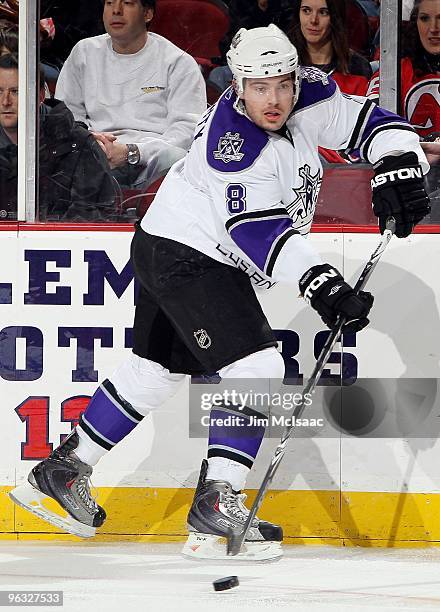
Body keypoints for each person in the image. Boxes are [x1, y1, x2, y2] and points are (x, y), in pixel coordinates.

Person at [10, 25, 430, 560]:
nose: (274, 99)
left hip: (165, 240)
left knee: (154, 369)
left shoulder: (309, 94)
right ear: (237, 84)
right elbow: (257, 233)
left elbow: (366, 122)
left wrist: (399, 162)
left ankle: (62, 470)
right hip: (190, 255)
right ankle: (216, 504)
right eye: (259, 87)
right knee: (257, 367)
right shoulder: (233, 149)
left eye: (281, 83)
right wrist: (324, 288)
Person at [54, 0, 207, 191]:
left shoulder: (178, 63)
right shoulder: (84, 52)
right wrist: (92, 143)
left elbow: (186, 133)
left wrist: (132, 152)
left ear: (147, 14)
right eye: (109, 3)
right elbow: (66, 115)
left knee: (176, 157)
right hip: (93, 156)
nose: (116, 11)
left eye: (127, 3)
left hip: (152, 165)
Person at [0, 54, 116, 221]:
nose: (5, 102)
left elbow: (92, 222)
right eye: (0, 91)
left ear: (40, 96)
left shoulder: (79, 145)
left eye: (15, 91)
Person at [367, 0, 440, 139]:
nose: (434, 28)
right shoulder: (393, 72)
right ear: (415, 22)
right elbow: (372, 123)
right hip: (410, 158)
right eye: (424, 18)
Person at [288, 0, 372, 96]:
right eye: (306, 10)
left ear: (336, 18)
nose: (313, 20)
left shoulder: (357, 67)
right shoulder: (284, 63)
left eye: (323, 12)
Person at [208, 0, 294, 94]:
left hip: (279, 64)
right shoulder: (239, 5)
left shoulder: (288, 6)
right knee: (219, 74)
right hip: (247, 64)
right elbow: (231, 41)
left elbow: (289, 44)